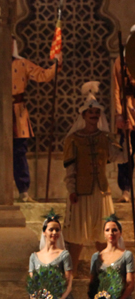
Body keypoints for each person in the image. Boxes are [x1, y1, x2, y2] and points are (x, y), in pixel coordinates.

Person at [63, 82, 128, 269]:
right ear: (83, 115)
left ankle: (106, 275)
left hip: (101, 193)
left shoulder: (105, 138)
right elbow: (70, 170)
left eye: (97, 112)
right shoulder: (73, 139)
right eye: (90, 112)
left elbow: (121, 158)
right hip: (81, 194)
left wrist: (127, 136)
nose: (94, 115)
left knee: (104, 236)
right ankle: (70, 277)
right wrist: (71, 190)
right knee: (76, 238)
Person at [12, 38, 61, 203]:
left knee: (19, 151)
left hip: (18, 112)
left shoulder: (22, 64)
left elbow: (43, 75)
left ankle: (23, 191)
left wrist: (56, 65)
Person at [21, 211, 80, 299]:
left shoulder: (64, 255)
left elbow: (68, 284)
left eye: (57, 230)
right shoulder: (34, 257)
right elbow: (32, 284)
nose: (54, 232)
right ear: (44, 232)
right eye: (51, 229)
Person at [113, 25, 135, 203]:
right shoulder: (121, 60)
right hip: (129, 111)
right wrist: (119, 114)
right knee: (126, 153)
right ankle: (126, 190)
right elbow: (116, 89)